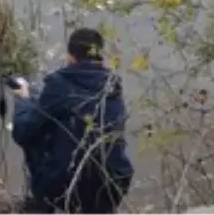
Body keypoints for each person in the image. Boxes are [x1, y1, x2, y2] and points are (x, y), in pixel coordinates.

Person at [11, 27, 134, 214]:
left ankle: (42, 206)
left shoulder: (60, 85)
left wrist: (23, 100)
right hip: (113, 185)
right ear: (100, 57)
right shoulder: (112, 88)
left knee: (34, 138)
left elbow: (22, 132)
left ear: (70, 57)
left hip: (69, 189)